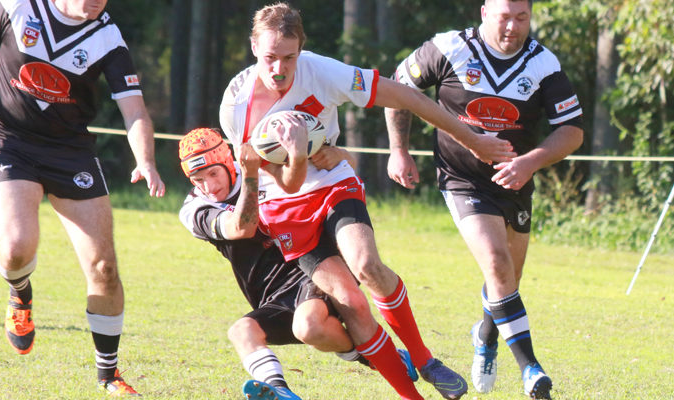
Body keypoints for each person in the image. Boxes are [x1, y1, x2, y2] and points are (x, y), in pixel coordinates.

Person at [219, 3, 516, 399]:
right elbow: (287, 185)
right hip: (287, 207)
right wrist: (301, 154)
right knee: (352, 304)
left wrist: (473, 139)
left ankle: (424, 358)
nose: (279, 69)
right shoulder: (236, 109)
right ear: (254, 46)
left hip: (333, 184)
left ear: (301, 50)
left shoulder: (322, 71)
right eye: (271, 57)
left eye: (289, 58)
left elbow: (406, 96)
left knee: (367, 265)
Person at [0, 0, 165, 395]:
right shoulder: (17, 7)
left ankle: (108, 375)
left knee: (104, 267)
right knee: (15, 249)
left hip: (70, 152)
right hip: (9, 142)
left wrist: (145, 161)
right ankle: (20, 294)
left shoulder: (107, 36)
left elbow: (134, 110)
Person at [384, 0, 584, 398]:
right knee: (496, 262)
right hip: (462, 180)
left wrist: (530, 162)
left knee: (507, 279)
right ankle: (531, 369)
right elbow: (398, 89)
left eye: (522, 18)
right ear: (484, 13)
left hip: (514, 184)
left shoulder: (542, 64)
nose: (513, 26)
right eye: (504, 17)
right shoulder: (450, 49)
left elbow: (572, 130)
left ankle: (486, 334)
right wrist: (398, 150)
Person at [177, 128, 416, 400]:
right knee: (241, 331)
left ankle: (383, 356)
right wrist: (252, 176)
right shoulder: (195, 208)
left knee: (309, 327)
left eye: (213, 174)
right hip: (272, 294)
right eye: (198, 180)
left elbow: (341, 166)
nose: (209, 186)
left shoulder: (262, 164)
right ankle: (281, 390)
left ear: (228, 162)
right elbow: (241, 227)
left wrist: (340, 153)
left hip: (314, 267)